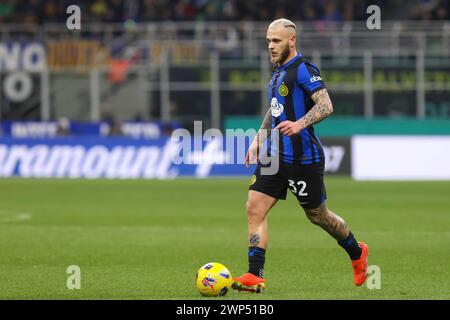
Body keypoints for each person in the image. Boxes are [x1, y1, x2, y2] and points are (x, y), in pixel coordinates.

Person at [232, 18, 368, 293]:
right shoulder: (278, 72)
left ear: (291, 41)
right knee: (254, 206)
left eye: (276, 41)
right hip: (276, 157)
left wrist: (300, 124)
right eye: (268, 41)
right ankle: (254, 274)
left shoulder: (304, 69)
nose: (271, 46)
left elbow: (326, 105)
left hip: (304, 160)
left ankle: (356, 251)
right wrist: (259, 139)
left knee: (318, 216)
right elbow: (275, 108)